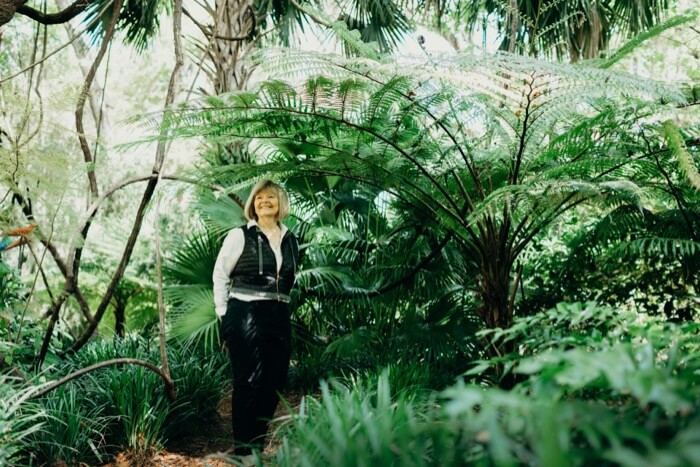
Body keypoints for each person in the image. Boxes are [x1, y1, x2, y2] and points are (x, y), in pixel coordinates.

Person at [213, 179, 299, 457]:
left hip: (279, 314)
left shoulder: (291, 239)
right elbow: (220, 274)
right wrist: (224, 314)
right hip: (244, 312)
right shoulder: (240, 236)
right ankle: (243, 452)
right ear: (253, 203)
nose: (264, 201)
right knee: (247, 380)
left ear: (280, 203)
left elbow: (288, 278)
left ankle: (256, 447)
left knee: (274, 381)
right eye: (259, 197)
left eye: (271, 197)